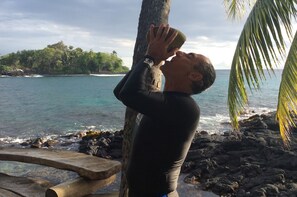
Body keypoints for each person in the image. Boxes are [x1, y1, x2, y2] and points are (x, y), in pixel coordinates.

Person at [114, 24, 216, 197]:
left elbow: (130, 94)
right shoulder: (167, 101)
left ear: (194, 75)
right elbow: (121, 92)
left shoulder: (186, 108)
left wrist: (151, 57)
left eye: (189, 56)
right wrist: (152, 57)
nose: (179, 52)